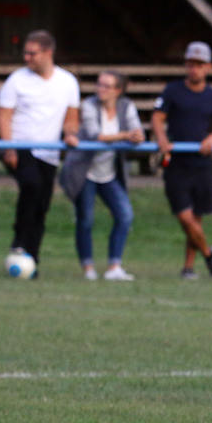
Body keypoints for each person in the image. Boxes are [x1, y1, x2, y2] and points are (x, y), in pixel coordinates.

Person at [0, 29, 80, 273]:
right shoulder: (16, 80)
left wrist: (70, 134)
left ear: (48, 53)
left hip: (50, 152)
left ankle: (32, 258)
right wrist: (8, 147)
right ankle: (19, 241)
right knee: (31, 185)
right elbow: (4, 116)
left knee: (42, 204)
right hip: (20, 146)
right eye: (25, 53)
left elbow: (71, 118)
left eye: (32, 53)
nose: (27, 58)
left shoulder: (67, 82)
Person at [151, 41, 212, 280]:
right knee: (184, 216)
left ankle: (189, 267)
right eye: (191, 64)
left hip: (202, 164)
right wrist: (162, 139)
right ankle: (209, 254)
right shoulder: (172, 91)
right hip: (177, 163)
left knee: (195, 219)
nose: (194, 69)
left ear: (208, 67)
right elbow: (157, 117)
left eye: (199, 65)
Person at [59, 70, 143, 281]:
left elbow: (138, 132)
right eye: (99, 84)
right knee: (85, 220)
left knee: (125, 215)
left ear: (118, 90)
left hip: (109, 172)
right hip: (85, 171)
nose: (100, 89)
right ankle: (88, 268)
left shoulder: (127, 106)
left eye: (106, 86)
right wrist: (125, 136)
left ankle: (114, 266)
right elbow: (97, 135)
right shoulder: (88, 105)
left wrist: (136, 135)